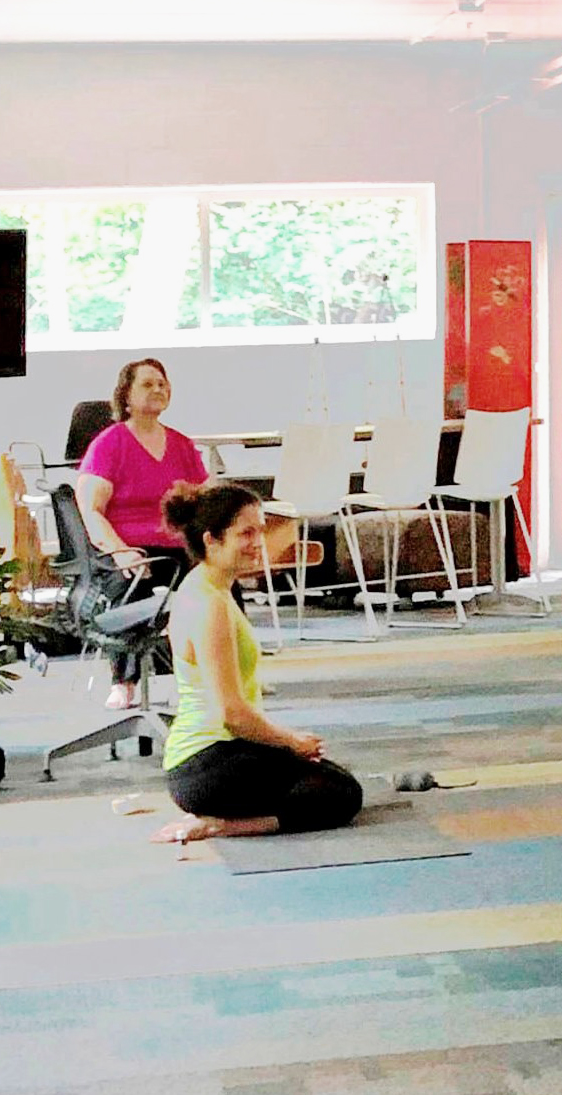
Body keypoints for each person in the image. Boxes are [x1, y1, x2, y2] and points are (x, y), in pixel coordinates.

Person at [153, 483, 363, 844]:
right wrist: (290, 741)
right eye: (246, 533)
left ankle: (226, 816)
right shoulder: (209, 605)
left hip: (209, 758)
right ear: (211, 540)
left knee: (330, 777)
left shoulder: (210, 588)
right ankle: (222, 825)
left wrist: (288, 745)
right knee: (343, 795)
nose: (258, 542)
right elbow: (232, 715)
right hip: (207, 763)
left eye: (259, 531)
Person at [76, 357, 209, 709]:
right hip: (127, 546)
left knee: (218, 583)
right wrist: (121, 551)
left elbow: (203, 500)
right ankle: (124, 681)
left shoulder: (181, 444)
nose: (158, 389)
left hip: (178, 547)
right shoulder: (110, 444)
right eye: (148, 384)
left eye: (162, 383)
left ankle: (221, 674)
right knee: (131, 582)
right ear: (126, 395)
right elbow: (90, 510)